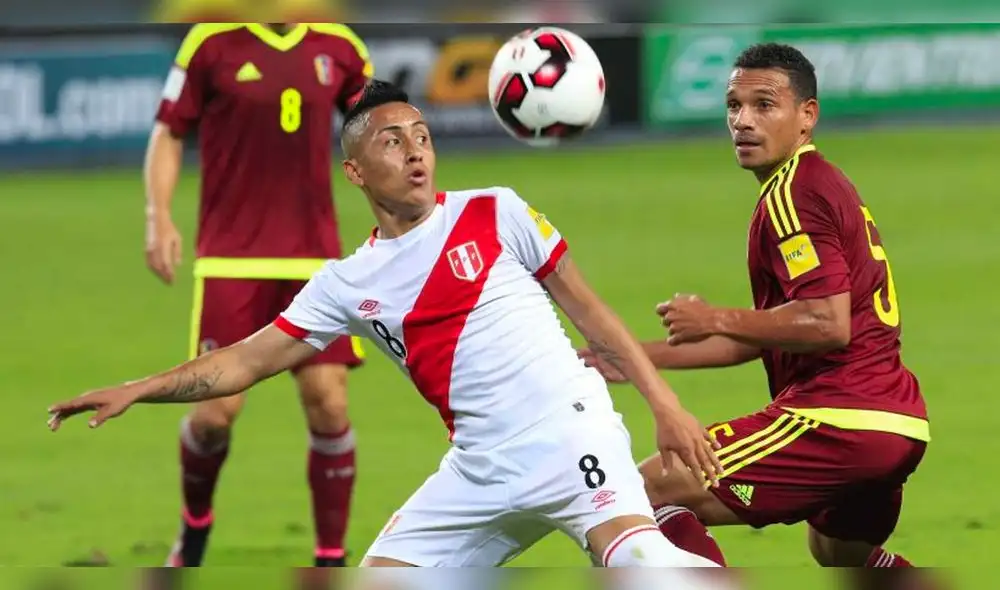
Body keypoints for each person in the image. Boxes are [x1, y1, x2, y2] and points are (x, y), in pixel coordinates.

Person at [51, 79, 724, 569]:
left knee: (641, 565)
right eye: (392, 141)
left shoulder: (497, 211)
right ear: (355, 171)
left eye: (423, 137)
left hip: (567, 434)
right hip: (477, 473)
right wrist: (138, 389)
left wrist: (664, 405)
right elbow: (245, 362)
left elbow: (593, 315)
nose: (415, 151)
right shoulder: (346, 282)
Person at [581, 43, 930, 573]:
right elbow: (778, 331)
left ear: (806, 117)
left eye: (764, 105)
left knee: (641, 492)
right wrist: (630, 358)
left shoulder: (794, 193)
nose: (742, 120)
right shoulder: (817, 185)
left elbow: (826, 323)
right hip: (896, 423)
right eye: (733, 105)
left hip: (838, 418)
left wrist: (714, 316)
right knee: (841, 553)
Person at [145, 22, 372, 567]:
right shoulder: (211, 42)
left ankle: (330, 559)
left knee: (329, 405)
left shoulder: (339, 47)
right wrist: (158, 217)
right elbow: (169, 131)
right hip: (232, 260)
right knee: (214, 415)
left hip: (314, 262)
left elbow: (380, 130)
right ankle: (196, 525)